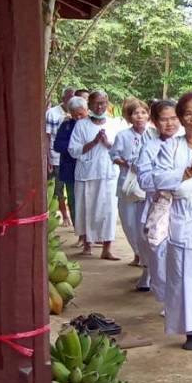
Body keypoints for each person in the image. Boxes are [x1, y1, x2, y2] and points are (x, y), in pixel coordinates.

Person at [138, 91, 192, 350]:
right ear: (181, 118)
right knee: (184, 279)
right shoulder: (170, 147)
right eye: (188, 114)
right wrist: (187, 171)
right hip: (182, 220)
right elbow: (152, 179)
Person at [136, 99, 181, 309]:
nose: (170, 123)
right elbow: (144, 180)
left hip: (184, 207)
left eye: (174, 118)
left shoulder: (186, 143)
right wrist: (164, 183)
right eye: (164, 119)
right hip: (160, 207)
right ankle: (168, 301)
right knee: (160, 256)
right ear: (154, 121)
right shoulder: (150, 147)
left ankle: (181, 301)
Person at [68, 89, 120, 260]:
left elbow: (121, 149)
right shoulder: (81, 125)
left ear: (108, 103)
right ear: (89, 105)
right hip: (86, 173)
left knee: (108, 210)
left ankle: (107, 248)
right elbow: (73, 150)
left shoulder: (114, 124)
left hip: (108, 173)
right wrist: (94, 142)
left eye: (103, 102)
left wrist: (106, 143)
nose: (100, 106)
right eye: (96, 103)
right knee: (86, 208)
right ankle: (87, 244)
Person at [112, 98, 155, 288]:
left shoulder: (154, 135)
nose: (140, 116)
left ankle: (148, 271)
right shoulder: (123, 136)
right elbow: (114, 155)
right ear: (129, 117)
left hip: (148, 187)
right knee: (130, 225)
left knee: (145, 227)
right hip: (128, 185)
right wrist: (128, 164)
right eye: (135, 113)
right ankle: (138, 253)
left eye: (143, 112)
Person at [53, 97, 88, 232]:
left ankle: (92, 235)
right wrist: (74, 147)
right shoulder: (66, 125)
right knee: (74, 202)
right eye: (75, 115)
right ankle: (79, 232)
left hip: (88, 169)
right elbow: (57, 145)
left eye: (81, 114)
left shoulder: (93, 124)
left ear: (86, 110)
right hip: (70, 169)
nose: (78, 117)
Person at [46, 87, 74, 225]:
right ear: (63, 99)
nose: (71, 101)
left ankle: (75, 216)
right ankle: (64, 215)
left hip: (73, 157)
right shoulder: (52, 113)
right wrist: (47, 158)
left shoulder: (79, 113)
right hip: (56, 156)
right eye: (69, 98)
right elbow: (47, 136)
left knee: (73, 188)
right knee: (58, 187)